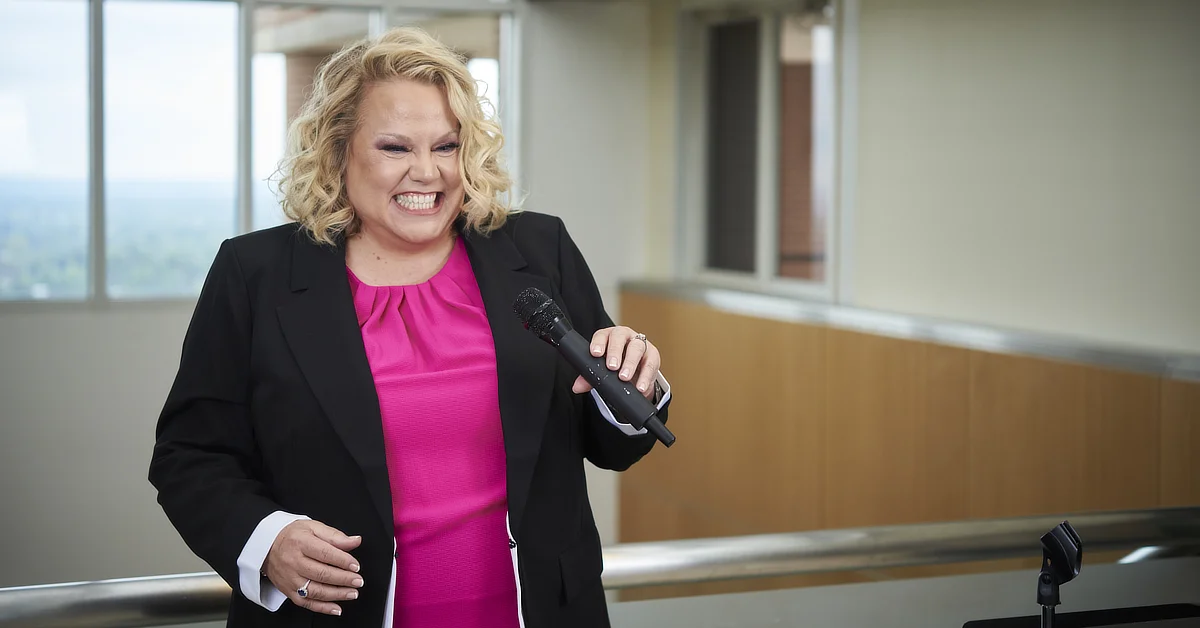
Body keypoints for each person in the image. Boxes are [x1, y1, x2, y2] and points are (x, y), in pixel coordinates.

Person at [148, 26, 671, 628]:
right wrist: (265, 540)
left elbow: (612, 443)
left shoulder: (537, 247)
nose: (428, 173)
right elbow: (190, 455)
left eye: (446, 147)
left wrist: (633, 385)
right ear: (338, 150)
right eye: (396, 148)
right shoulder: (254, 274)